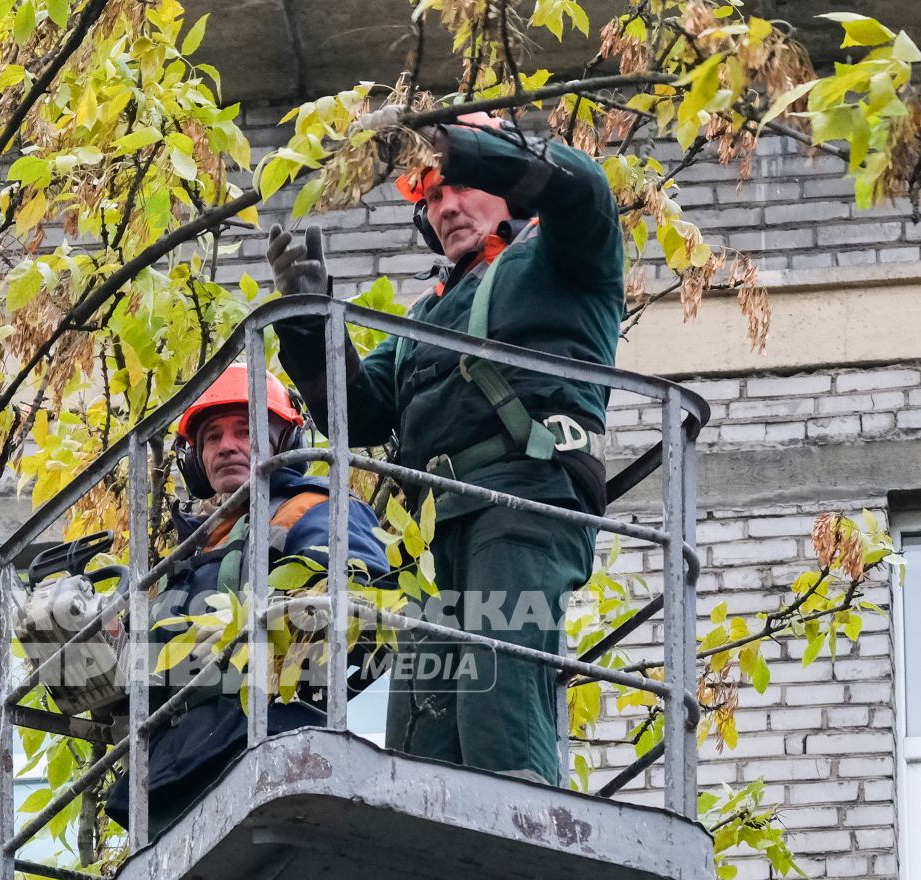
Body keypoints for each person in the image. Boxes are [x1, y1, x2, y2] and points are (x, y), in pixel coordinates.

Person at [265, 110, 622, 785]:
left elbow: (585, 191)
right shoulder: (425, 317)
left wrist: (465, 145)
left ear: (507, 186)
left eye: (458, 186)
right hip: (435, 533)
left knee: (498, 701)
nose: (447, 207)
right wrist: (312, 326)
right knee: (420, 728)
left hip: (524, 501)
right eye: (431, 196)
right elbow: (362, 413)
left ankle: (524, 823)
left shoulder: (564, 258)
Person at [105, 363, 385, 834]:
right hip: (172, 776)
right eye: (212, 437)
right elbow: (140, 684)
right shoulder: (186, 558)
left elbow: (363, 605)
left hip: (271, 746)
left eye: (246, 430)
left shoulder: (313, 509)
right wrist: (100, 648)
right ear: (194, 460)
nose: (226, 446)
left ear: (286, 444)